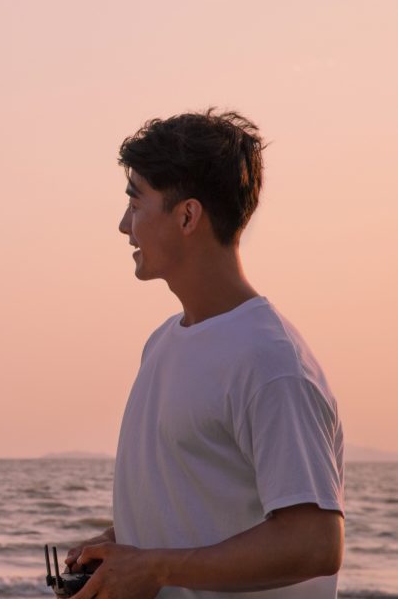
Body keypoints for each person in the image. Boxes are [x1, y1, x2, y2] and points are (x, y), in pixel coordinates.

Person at [67, 110, 345, 598]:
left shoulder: (271, 362)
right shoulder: (163, 342)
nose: (122, 225)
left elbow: (315, 543)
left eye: (135, 201)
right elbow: (197, 507)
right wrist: (119, 548)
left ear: (188, 216)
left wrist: (154, 569)